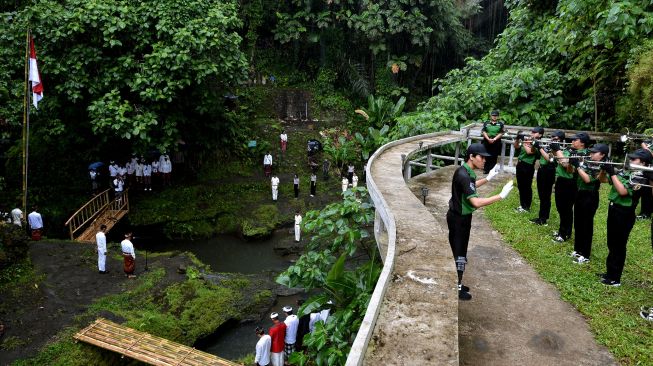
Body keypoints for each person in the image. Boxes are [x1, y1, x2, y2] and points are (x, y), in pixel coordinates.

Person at [447, 143, 514, 300]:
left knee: (460, 251)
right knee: (459, 253)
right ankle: (456, 285)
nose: (484, 160)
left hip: (458, 217)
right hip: (459, 220)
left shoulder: (465, 171)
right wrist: (500, 196)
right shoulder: (464, 175)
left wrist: (488, 179)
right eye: (481, 157)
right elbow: (476, 202)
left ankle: (458, 280)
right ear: (471, 157)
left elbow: (470, 186)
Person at [599, 149, 652, 286]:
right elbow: (605, 180)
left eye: (634, 159)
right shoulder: (627, 172)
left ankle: (615, 278)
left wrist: (613, 172)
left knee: (618, 245)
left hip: (625, 212)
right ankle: (610, 272)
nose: (630, 161)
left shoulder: (641, 176)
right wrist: (605, 170)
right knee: (611, 242)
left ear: (643, 163)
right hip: (614, 208)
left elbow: (623, 191)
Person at [570, 143, 608, 264]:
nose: (590, 154)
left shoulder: (602, 166)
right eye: (590, 152)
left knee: (586, 225)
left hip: (590, 196)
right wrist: (574, 162)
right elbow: (573, 172)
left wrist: (578, 167)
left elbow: (587, 180)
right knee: (578, 222)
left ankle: (585, 254)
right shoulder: (588, 162)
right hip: (580, 193)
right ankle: (578, 250)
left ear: (602, 155)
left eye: (594, 153)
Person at [551, 132, 589, 243]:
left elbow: (565, 164)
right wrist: (554, 149)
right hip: (561, 180)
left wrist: (558, 149)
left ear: (582, 143)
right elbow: (558, 158)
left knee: (566, 208)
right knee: (560, 207)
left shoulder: (583, 154)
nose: (572, 141)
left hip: (571, 182)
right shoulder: (571, 150)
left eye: (575, 140)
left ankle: (564, 234)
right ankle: (564, 230)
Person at [530, 130, 565, 226]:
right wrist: (534, 144)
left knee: (546, 195)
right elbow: (533, 151)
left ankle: (543, 218)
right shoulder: (548, 145)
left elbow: (549, 159)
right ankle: (541, 216)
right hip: (541, 170)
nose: (552, 139)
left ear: (561, 140)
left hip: (549, 170)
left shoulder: (559, 149)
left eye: (555, 138)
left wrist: (540, 147)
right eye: (552, 137)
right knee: (541, 194)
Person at [513, 126, 544, 213]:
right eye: (532, 132)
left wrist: (523, 142)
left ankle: (526, 207)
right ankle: (522, 205)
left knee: (526, 186)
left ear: (540, 134)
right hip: (520, 163)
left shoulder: (539, 143)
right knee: (520, 185)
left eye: (535, 132)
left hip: (528, 165)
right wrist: (517, 138)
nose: (532, 133)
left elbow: (530, 152)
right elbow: (516, 146)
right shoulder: (527, 140)